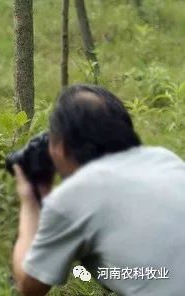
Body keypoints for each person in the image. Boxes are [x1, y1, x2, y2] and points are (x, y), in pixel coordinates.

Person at [11, 84, 185, 296]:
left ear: (60, 147)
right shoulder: (165, 159)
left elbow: (30, 286)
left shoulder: (73, 197)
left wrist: (29, 200)